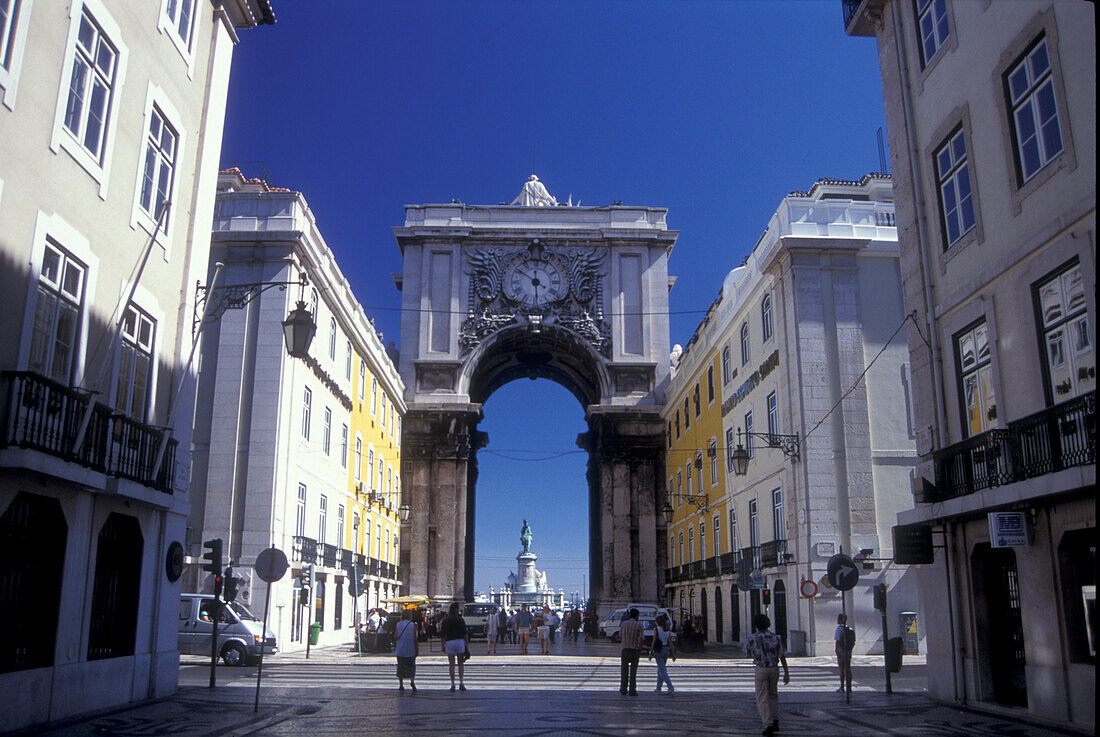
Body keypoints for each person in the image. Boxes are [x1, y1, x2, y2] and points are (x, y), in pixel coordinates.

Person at [746, 613, 790, 737]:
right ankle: (775, 719)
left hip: (761, 669)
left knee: (762, 698)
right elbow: (782, 655)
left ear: (756, 625)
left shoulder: (752, 638)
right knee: (773, 694)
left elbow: (747, 652)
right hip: (774, 668)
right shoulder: (777, 637)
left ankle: (768, 724)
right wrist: (787, 673)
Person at [439, 602, 469, 692]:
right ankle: (461, 683)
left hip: (449, 642)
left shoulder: (446, 620)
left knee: (451, 664)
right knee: (460, 663)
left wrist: (442, 645)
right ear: (456, 610)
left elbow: (442, 634)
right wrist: (467, 646)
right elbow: (465, 634)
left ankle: (452, 684)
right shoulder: (460, 619)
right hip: (459, 641)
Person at [648, 612, 677, 694]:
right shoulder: (667, 631)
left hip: (659, 650)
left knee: (662, 670)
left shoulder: (656, 629)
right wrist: (673, 654)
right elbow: (670, 643)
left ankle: (670, 686)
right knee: (660, 669)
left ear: (658, 622)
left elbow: (654, 640)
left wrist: (651, 650)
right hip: (666, 650)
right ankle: (658, 687)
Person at [393, 609, 418, 693]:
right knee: (411, 666)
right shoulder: (412, 625)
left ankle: (401, 685)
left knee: (401, 667)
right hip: (410, 649)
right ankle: (412, 682)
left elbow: (395, 637)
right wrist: (416, 649)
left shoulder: (398, 624)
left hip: (400, 649)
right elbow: (415, 638)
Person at [619, 608, 643, 696]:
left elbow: (620, 636)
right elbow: (640, 639)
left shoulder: (623, 624)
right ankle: (632, 690)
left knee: (624, 670)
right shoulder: (638, 625)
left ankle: (623, 689)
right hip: (634, 650)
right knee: (633, 671)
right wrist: (640, 649)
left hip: (625, 649)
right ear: (636, 616)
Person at [835, 613, 854, 694]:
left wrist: (836, 650)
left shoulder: (839, 629)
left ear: (840, 619)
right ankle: (849, 687)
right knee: (848, 669)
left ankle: (842, 687)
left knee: (842, 669)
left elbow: (838, 641)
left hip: (841, 651)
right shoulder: (850, 629)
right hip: (848, 651)